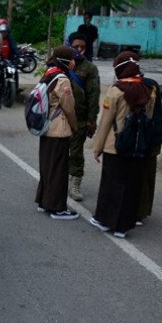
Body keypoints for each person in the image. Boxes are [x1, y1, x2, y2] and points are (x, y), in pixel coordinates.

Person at [90, 52, 158, 238]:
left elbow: (105, 123)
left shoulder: (115, 91)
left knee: (111, 184)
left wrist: (97, 148)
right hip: (138, 146)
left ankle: (105, 220)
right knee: (131, 186)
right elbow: (149, 119)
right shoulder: (149, 90)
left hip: (115, 146)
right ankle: (123, 227)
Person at [35, 46, 79, 220]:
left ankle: (43, 201)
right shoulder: (63, 80)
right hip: (58, 130)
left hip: (45, 128)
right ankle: (56, 208)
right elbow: (68, 107)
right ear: (65, 60)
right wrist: (75, 127)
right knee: (58, 170)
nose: (75, 62)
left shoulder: (48, 73)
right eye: (72, 58)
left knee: (47, 167)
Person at [65, 32, 101, 202]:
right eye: (76, 46)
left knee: (76, 153)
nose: (79, 50)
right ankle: (56, 180)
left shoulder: (90, 68)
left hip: (79, 118)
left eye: (82, 47)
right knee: (58, 150)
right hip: (60, 117)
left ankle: (75, 184)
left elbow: (94, 95)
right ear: (69, 45)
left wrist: (91, 120)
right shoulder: (62, 64)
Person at [138, 77, 162, 225]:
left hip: (148, 138)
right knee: (147, 175)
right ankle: (141, 211)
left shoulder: (145, 87)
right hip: (153, 136)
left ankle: (139, 212)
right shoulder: (150, 84)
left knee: (144, 174)